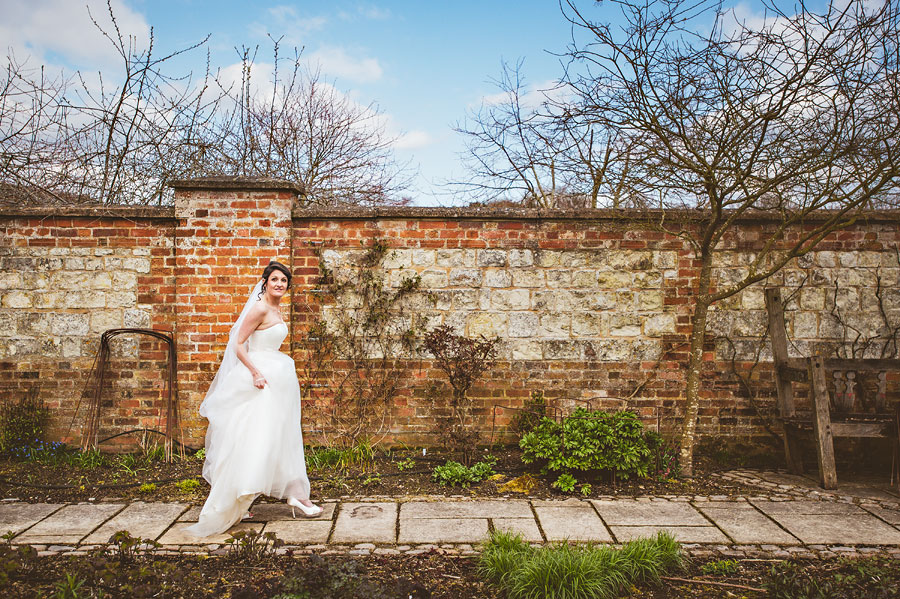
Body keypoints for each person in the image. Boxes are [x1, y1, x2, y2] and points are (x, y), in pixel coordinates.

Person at [187, 261, 321, 537]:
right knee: (256, 439)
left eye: (284, 281)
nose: (279, 284)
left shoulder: (276, 307)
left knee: (281, 436)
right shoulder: (259, 307)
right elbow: (238, 344)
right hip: (260, 381)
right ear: (265, 282)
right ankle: (241, 497)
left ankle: (294, 493)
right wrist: (255, 373)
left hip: (278, 378)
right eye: (275, 280)